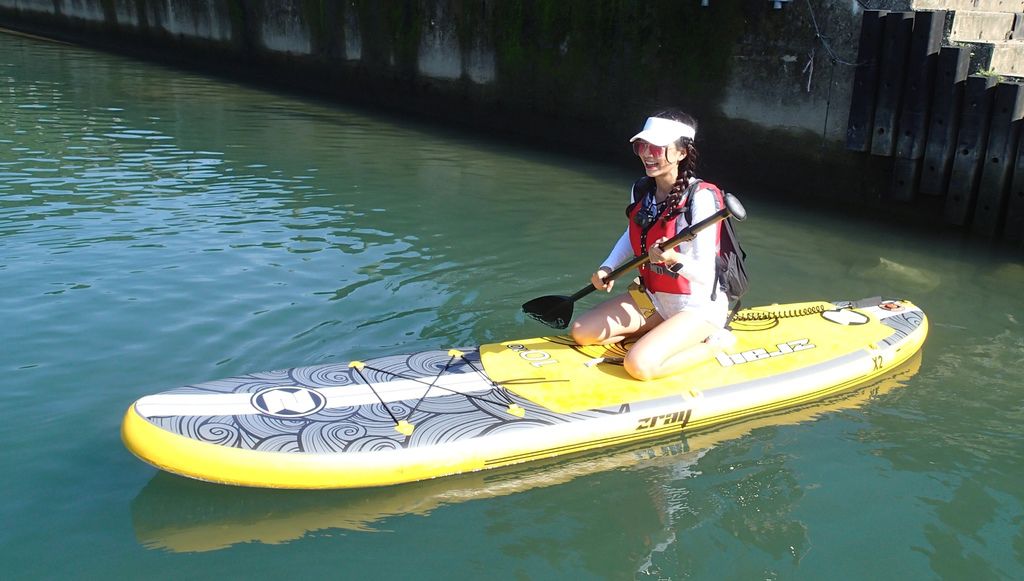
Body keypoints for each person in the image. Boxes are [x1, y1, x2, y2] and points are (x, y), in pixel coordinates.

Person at [570, 110, 732, 381]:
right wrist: (608, 266)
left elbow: (707, 273)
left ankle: (715, 344)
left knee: (639, 366)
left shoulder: (701, 198)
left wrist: (673, 259)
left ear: (681, 153)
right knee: (581, 332)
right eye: (642, 146)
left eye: (657, 148)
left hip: (697, 307)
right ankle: (660, 332)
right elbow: (631, 232)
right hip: (655, 299)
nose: (647, 153)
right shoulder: (641, 189)